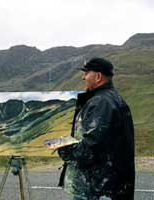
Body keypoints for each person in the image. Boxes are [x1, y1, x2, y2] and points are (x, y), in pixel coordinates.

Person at [57, 58, 135, 200]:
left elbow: (89, 151)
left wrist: (62, 147)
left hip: (95, 189)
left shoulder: (101, 103)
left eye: (86, 73)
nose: (83, 77)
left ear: (98, 77)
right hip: (109, 187)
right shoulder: (113, 98)